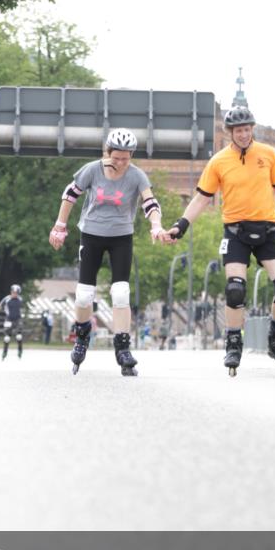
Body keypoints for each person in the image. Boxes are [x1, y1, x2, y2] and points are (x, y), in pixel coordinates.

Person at [159, 105, 275, 377]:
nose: (243, 134)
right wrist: (180, 226)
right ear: (230, 133)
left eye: (247, 129)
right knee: (235, 289)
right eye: (239, 131)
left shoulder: (268, 155)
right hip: (236, 232)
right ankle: (233, 342)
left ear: (252, 129)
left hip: (268, 230)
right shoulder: (218, 162)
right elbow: (202, 197)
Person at [48, 127, 165, 376]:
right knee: (83, 294)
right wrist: (60, 225)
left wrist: (156, 225)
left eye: (126, 158)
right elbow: (70, 195)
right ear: (107, 152)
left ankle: (122, 347)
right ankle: (81, 337)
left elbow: (150, 202)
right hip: (91, 234)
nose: (121, 163)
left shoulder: (136, 176)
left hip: (121, 237)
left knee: (121, 292)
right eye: (116, 157)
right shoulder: (92, 170)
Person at [0, 285, 23, 359]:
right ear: (11, 291)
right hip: (9, 319)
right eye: (13, 292)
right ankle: (4, 352)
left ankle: (20, 351)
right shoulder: (6, 299)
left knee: (19, 336)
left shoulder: (20, 299)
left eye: (16, 293)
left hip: (18, 319)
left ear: (18, 293)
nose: (14, 294)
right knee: (7, 338)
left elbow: (21, 309)